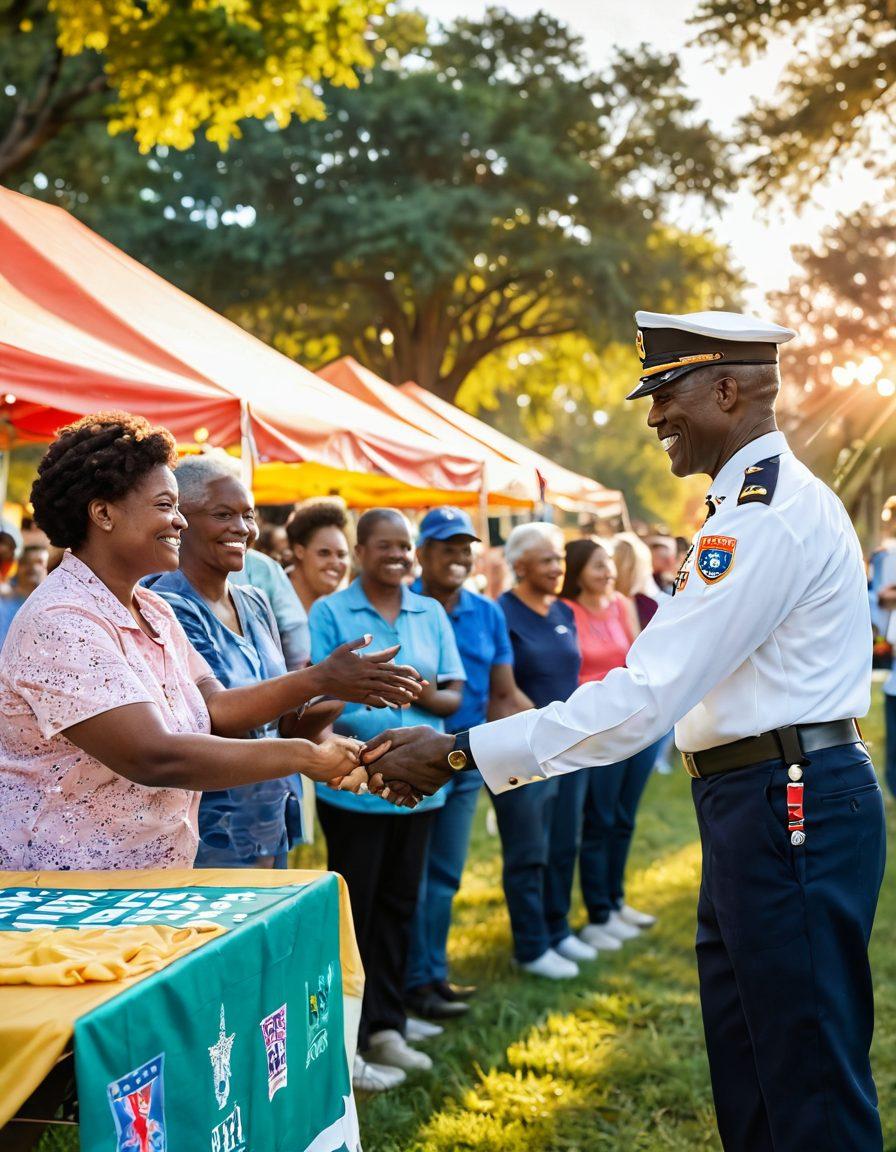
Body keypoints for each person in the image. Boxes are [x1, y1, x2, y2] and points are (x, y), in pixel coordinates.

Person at [363, 310, 885, 1152]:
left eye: (665, 392)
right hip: (756, 799)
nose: (653, 416)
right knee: (752, 1063)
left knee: (808, 1082)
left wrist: (462, 749)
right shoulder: (739, 510)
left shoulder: (761, 516)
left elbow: (645, 698)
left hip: (787, 803)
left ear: (725, 390)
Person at [0, 412, 423, 872]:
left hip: (149, 882)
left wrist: (321, 684)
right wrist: (304, 755)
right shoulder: (63, 620)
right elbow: (152, 755)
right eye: (165, 505)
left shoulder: (151, 610)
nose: (180, 521)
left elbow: (216, 708)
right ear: (102, 513)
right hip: (69, 894)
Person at [308, 508, 466, 1088]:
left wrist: (413, 690)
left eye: (406, 546)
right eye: (385, 545)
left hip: (419, 789)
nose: (398, 555)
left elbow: (453, 692)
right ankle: (346, 1034)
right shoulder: (330, 612)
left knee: (403, 905)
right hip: (356, 787)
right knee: (357, 914)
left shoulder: (430, 612)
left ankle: (387, 1025)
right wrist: (371, 696)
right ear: (361, 549)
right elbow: (319, 699)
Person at [149, 453, 338, 867]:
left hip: (270, 818)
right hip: (206, 830)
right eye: (224, 514)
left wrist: (345, 690)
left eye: (248, 515)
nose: (243, 529)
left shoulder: (254, 601)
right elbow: (216, 718)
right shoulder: (162, 603)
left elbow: (283, 723)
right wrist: (321, 679)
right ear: (181, 519)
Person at [405, 507, 532, 1018]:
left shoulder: (487, 612)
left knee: (445, 876)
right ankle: (408, 982)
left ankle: (431, 977)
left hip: (468, 758)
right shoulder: (403, 605)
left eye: (465, 548)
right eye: (445, 547)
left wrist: (542, 742)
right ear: (422, 555)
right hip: (413, 758)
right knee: (409, 879)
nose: (458, 557)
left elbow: (504, 692)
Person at [549, 539, 658, 959]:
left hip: (633, 728)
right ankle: (598, 914)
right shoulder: (567, 612)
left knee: (623, 818)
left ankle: (614, 900)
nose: (608, 573)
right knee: (599, 818)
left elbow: (638, 659)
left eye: (610, 566)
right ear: (577, 571)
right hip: (593, 733)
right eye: (598, 566)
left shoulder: (621, 604)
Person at [489, 522, 582, 979]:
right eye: (546, 559)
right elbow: (500, 690)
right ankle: (531, 946)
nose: (557, 567)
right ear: (519, 565)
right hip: (521, 750)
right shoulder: (501, 614)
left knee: (564, 843)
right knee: (528, 851)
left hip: (570, 748)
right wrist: (545, 729)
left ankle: (558, 929)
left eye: (559, 558)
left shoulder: (563, 610)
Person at [285, 499, 351, 616]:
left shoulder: (343, 611)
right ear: (299, 551)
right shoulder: (268, 602)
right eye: (324, 553)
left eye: (341, 555)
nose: (335, 562)